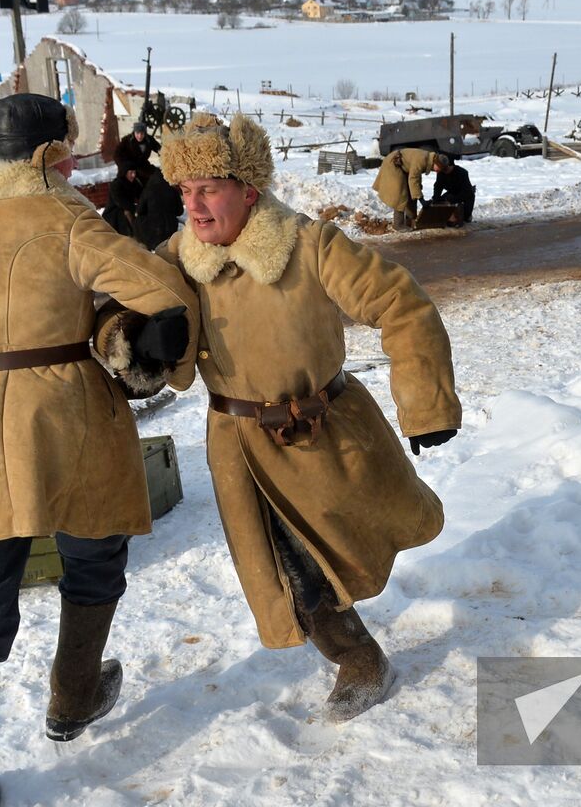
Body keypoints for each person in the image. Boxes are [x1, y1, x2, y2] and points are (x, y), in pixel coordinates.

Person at [0, 93, 202, 807]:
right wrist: (122, 331)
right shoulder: (67, 218)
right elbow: (161, 293)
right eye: (62, 150)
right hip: (64, 419)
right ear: (45, 154)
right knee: (94, 555)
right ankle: (73, 696)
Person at [97, 113, 460, 723]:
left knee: (339, 552)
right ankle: (359, 659)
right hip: (238, 447)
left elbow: (402, 303)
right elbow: (113, 315)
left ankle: (358, 654)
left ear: (248, 190)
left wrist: (426, 403)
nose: (194, 206)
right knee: (290, 572)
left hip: (325, 437)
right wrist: (135, 342)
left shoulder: (311, 245)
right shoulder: (177, 260)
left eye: (208, 189)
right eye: (185, 191)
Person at [372, 146, 439, 230]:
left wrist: (418, 192)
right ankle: (398, 224)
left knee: (412, 192)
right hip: (394, 163)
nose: (439, 171)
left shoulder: (427, 159)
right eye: (439, 168)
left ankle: (410, 220)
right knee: (400, 194)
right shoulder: (422, 160)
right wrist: (421, 199)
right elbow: (413, 179)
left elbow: (416, 177)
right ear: (436, 163)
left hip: (402, 167)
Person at [135, 168, 183, 251]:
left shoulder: (148, 190)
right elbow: (180, 211)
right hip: (170, 227)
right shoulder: (172, 190)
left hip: (153, 229)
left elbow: (140, 210)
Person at [429, 153, 475, 224]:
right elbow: (438, 186)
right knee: (440, 202)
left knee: (465, 218)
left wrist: (453, 200)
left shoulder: (462, 173)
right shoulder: (441, 173)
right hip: (452, 192)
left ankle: (467, 216)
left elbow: (466, 192)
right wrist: (435, 198)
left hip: (466, 194)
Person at [101, 166, 142, 237]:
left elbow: (141, 195)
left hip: (129, 209)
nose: (133, 175)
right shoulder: (116, 184)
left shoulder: (135, 183)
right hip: (114, 213)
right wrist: (136, 208)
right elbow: (120, 202)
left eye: (134, 172)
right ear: (125, 173)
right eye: (131, 173)